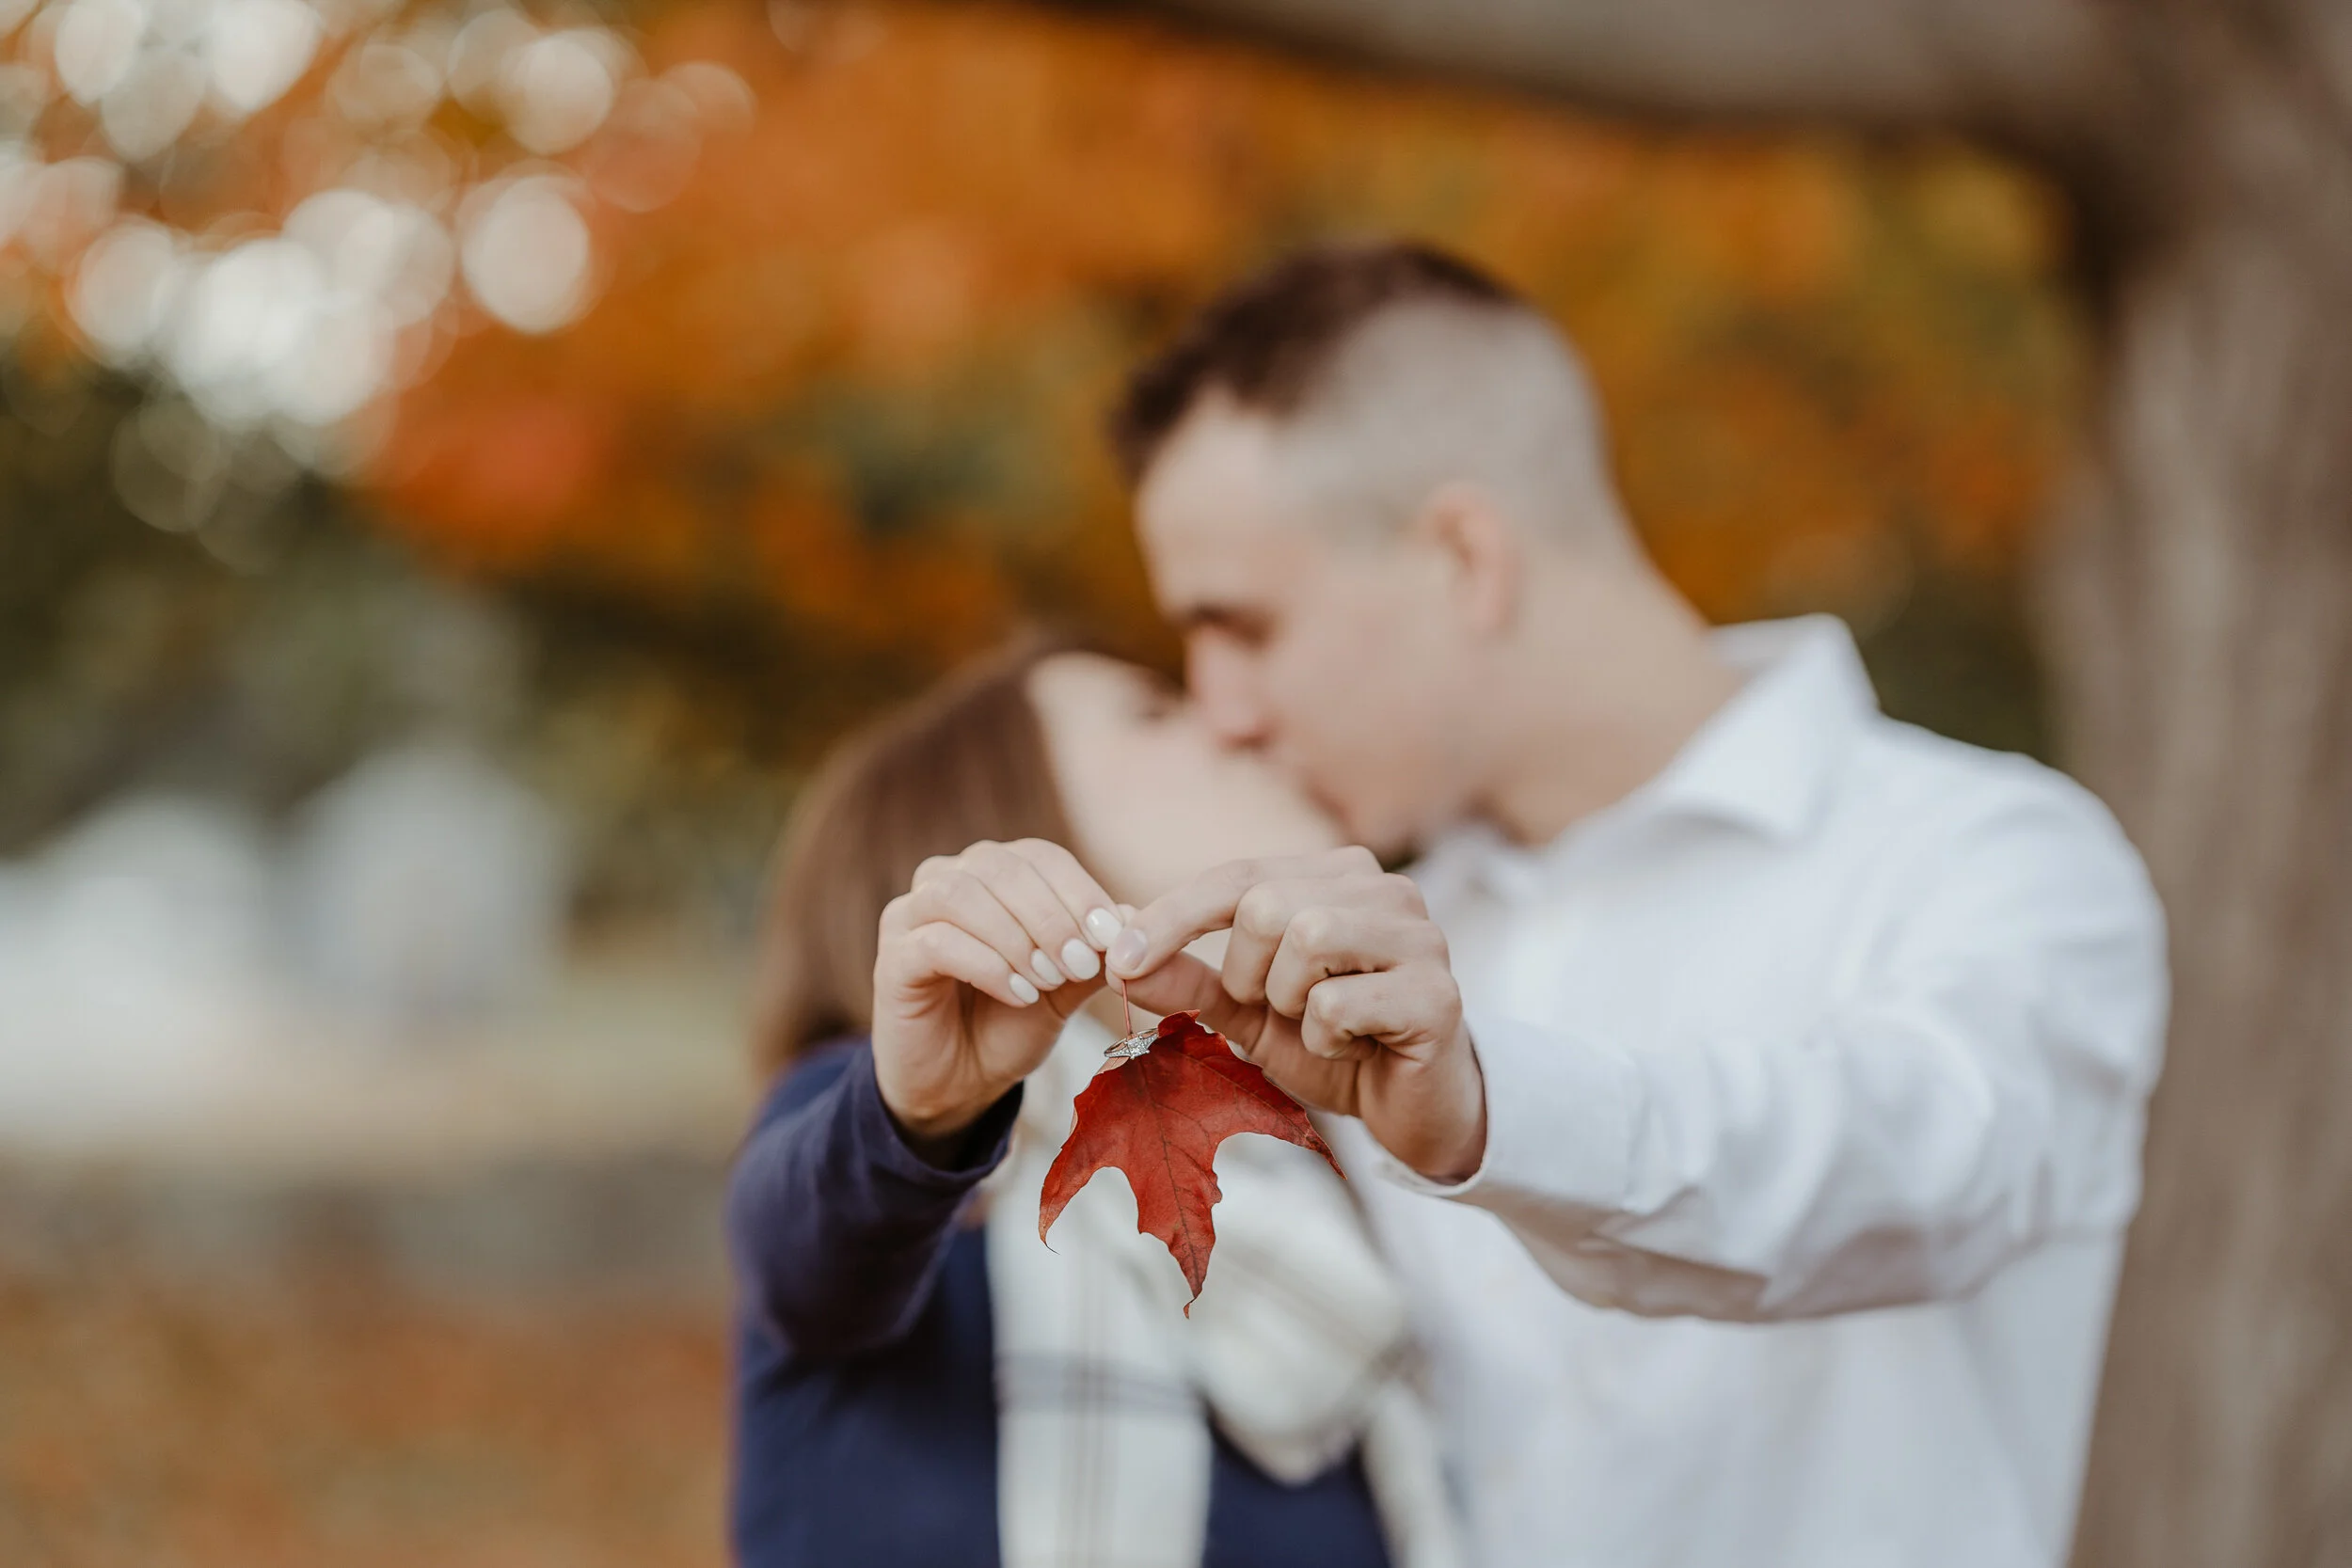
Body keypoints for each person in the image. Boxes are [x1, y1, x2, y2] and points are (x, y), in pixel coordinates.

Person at [882, 244, 2170, 1568]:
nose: (1222, 708)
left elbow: (1909, 1165)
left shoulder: (1989, 860)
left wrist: (1490, 1110)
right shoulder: (1354, 932)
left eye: (1246, 627)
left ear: (1464, 557)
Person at [725, 636, 1463, 1568]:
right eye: (1152, 712)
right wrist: (918, 1116)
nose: (1236, 725)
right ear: (1001, 819)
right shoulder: (899, 1153)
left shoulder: (1321, 1162)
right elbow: (799, 1235)